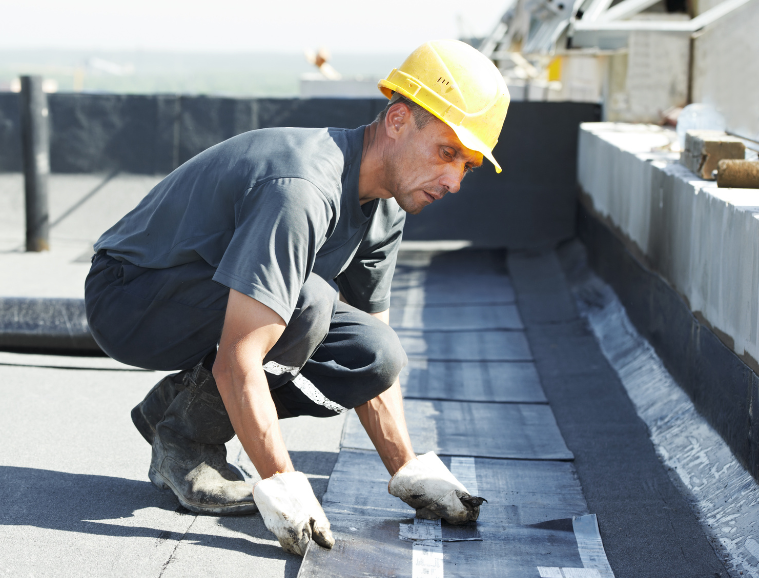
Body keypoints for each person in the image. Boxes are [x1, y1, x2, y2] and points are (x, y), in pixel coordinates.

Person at [85, 39, 510, 555]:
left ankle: (175, 409)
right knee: (307, 303)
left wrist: (408, 470)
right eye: (448, 152)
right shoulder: (303, 188)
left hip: (208, 301)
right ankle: (185, 445)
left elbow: (372, 341)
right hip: (132, 295)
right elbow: (241, 355)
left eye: (467, 165)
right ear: (398, 120)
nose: (455, 181)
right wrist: (282, 481)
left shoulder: (386, 206)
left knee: (375, 356)